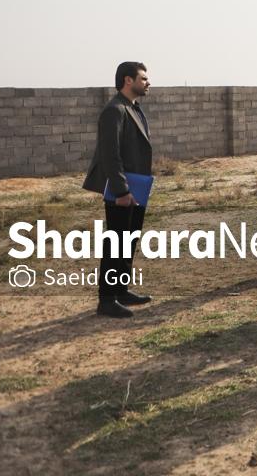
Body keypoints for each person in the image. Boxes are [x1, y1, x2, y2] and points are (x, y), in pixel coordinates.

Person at [83, 61, 154, 319]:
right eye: (143, 78)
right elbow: (110, 155)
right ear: (128, 80)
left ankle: (121, 291)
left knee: (128, 240)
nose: (148, 82)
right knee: (116, 242)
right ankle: (107, 299)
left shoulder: (132, 108)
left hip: (137, 187)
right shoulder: (114, 110)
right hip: (122, 189)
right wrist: (122, 191)